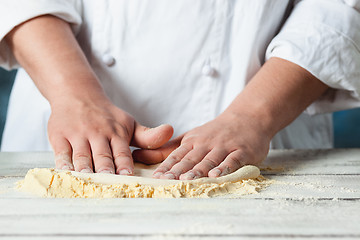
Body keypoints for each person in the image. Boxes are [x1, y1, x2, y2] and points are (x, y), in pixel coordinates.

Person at [0, 0, 359, 180]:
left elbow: (334, 8)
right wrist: (74, 94)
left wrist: (253, 116)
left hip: (264, 113)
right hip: (64, 112)